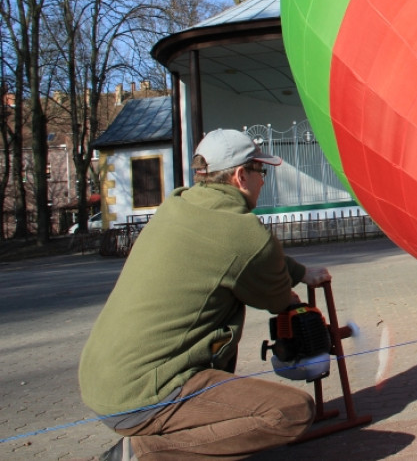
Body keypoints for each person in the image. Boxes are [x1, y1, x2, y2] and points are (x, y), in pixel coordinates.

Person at [79, 129, 332, 460]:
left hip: (101, 381)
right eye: (261, 171)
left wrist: (299, 272)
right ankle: (141, 453)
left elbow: (236, 251)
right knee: (291, 412)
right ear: (241, 176)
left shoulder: (178, 205)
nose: (263, 181)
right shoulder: (245, 233)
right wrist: (293, 298)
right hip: (143, 395)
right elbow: (275, 296)